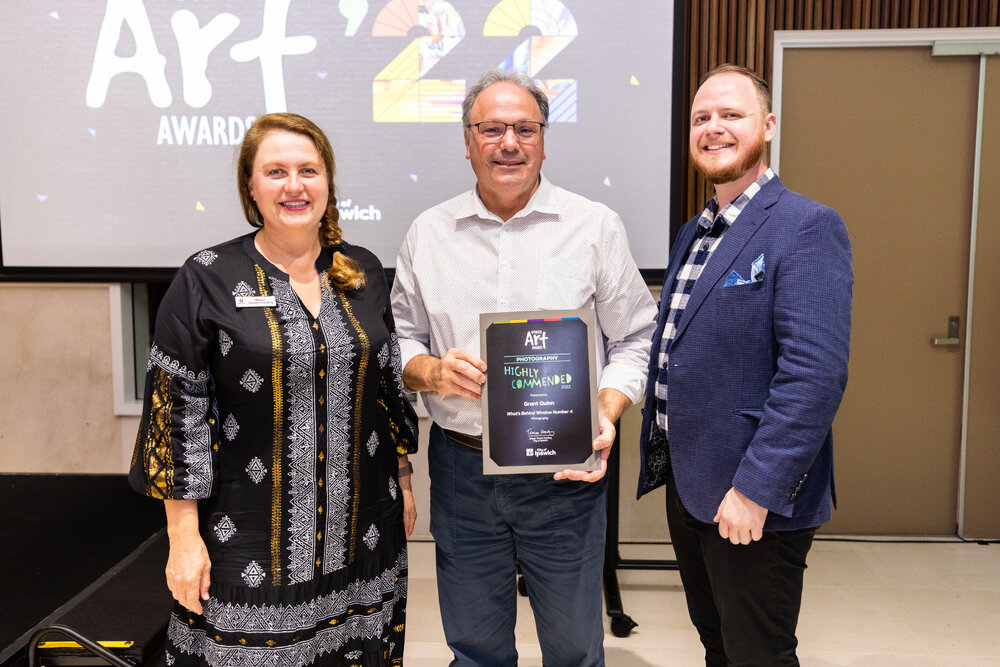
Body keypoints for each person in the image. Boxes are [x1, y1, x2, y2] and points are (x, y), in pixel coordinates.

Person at [129, 112, 418, 667]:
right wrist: (183, 539)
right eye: (276, 171)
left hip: (364, 533)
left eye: (308, 170)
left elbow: (384, 389)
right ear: (251, 187)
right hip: (247, 539)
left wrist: (404, 481)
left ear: (328, 183)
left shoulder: (362, 272)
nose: (294, 185)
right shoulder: (207, 277)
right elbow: (176, 415)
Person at [390, 69, 657, 667]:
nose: (508, 143)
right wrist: (431, 371)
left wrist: (607, 410)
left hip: (563, 472)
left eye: (524, 129)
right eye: (491, 129)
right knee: (476, 646)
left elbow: (637, 336)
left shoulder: (594, 227)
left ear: (543, 138)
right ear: (467, 141)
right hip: (461, 469)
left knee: (572, 646)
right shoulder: (428, 234)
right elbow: (401, 338)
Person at [637, 64, 853, 665]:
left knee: (758, 654)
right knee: (719, 648)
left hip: (752, 497)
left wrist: (755, 490)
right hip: (692, 487)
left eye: (731, 115)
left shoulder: (806, 226)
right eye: (702, 117)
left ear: (769, 126)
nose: (714, 128)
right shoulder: (694, 233)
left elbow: (814, 375)